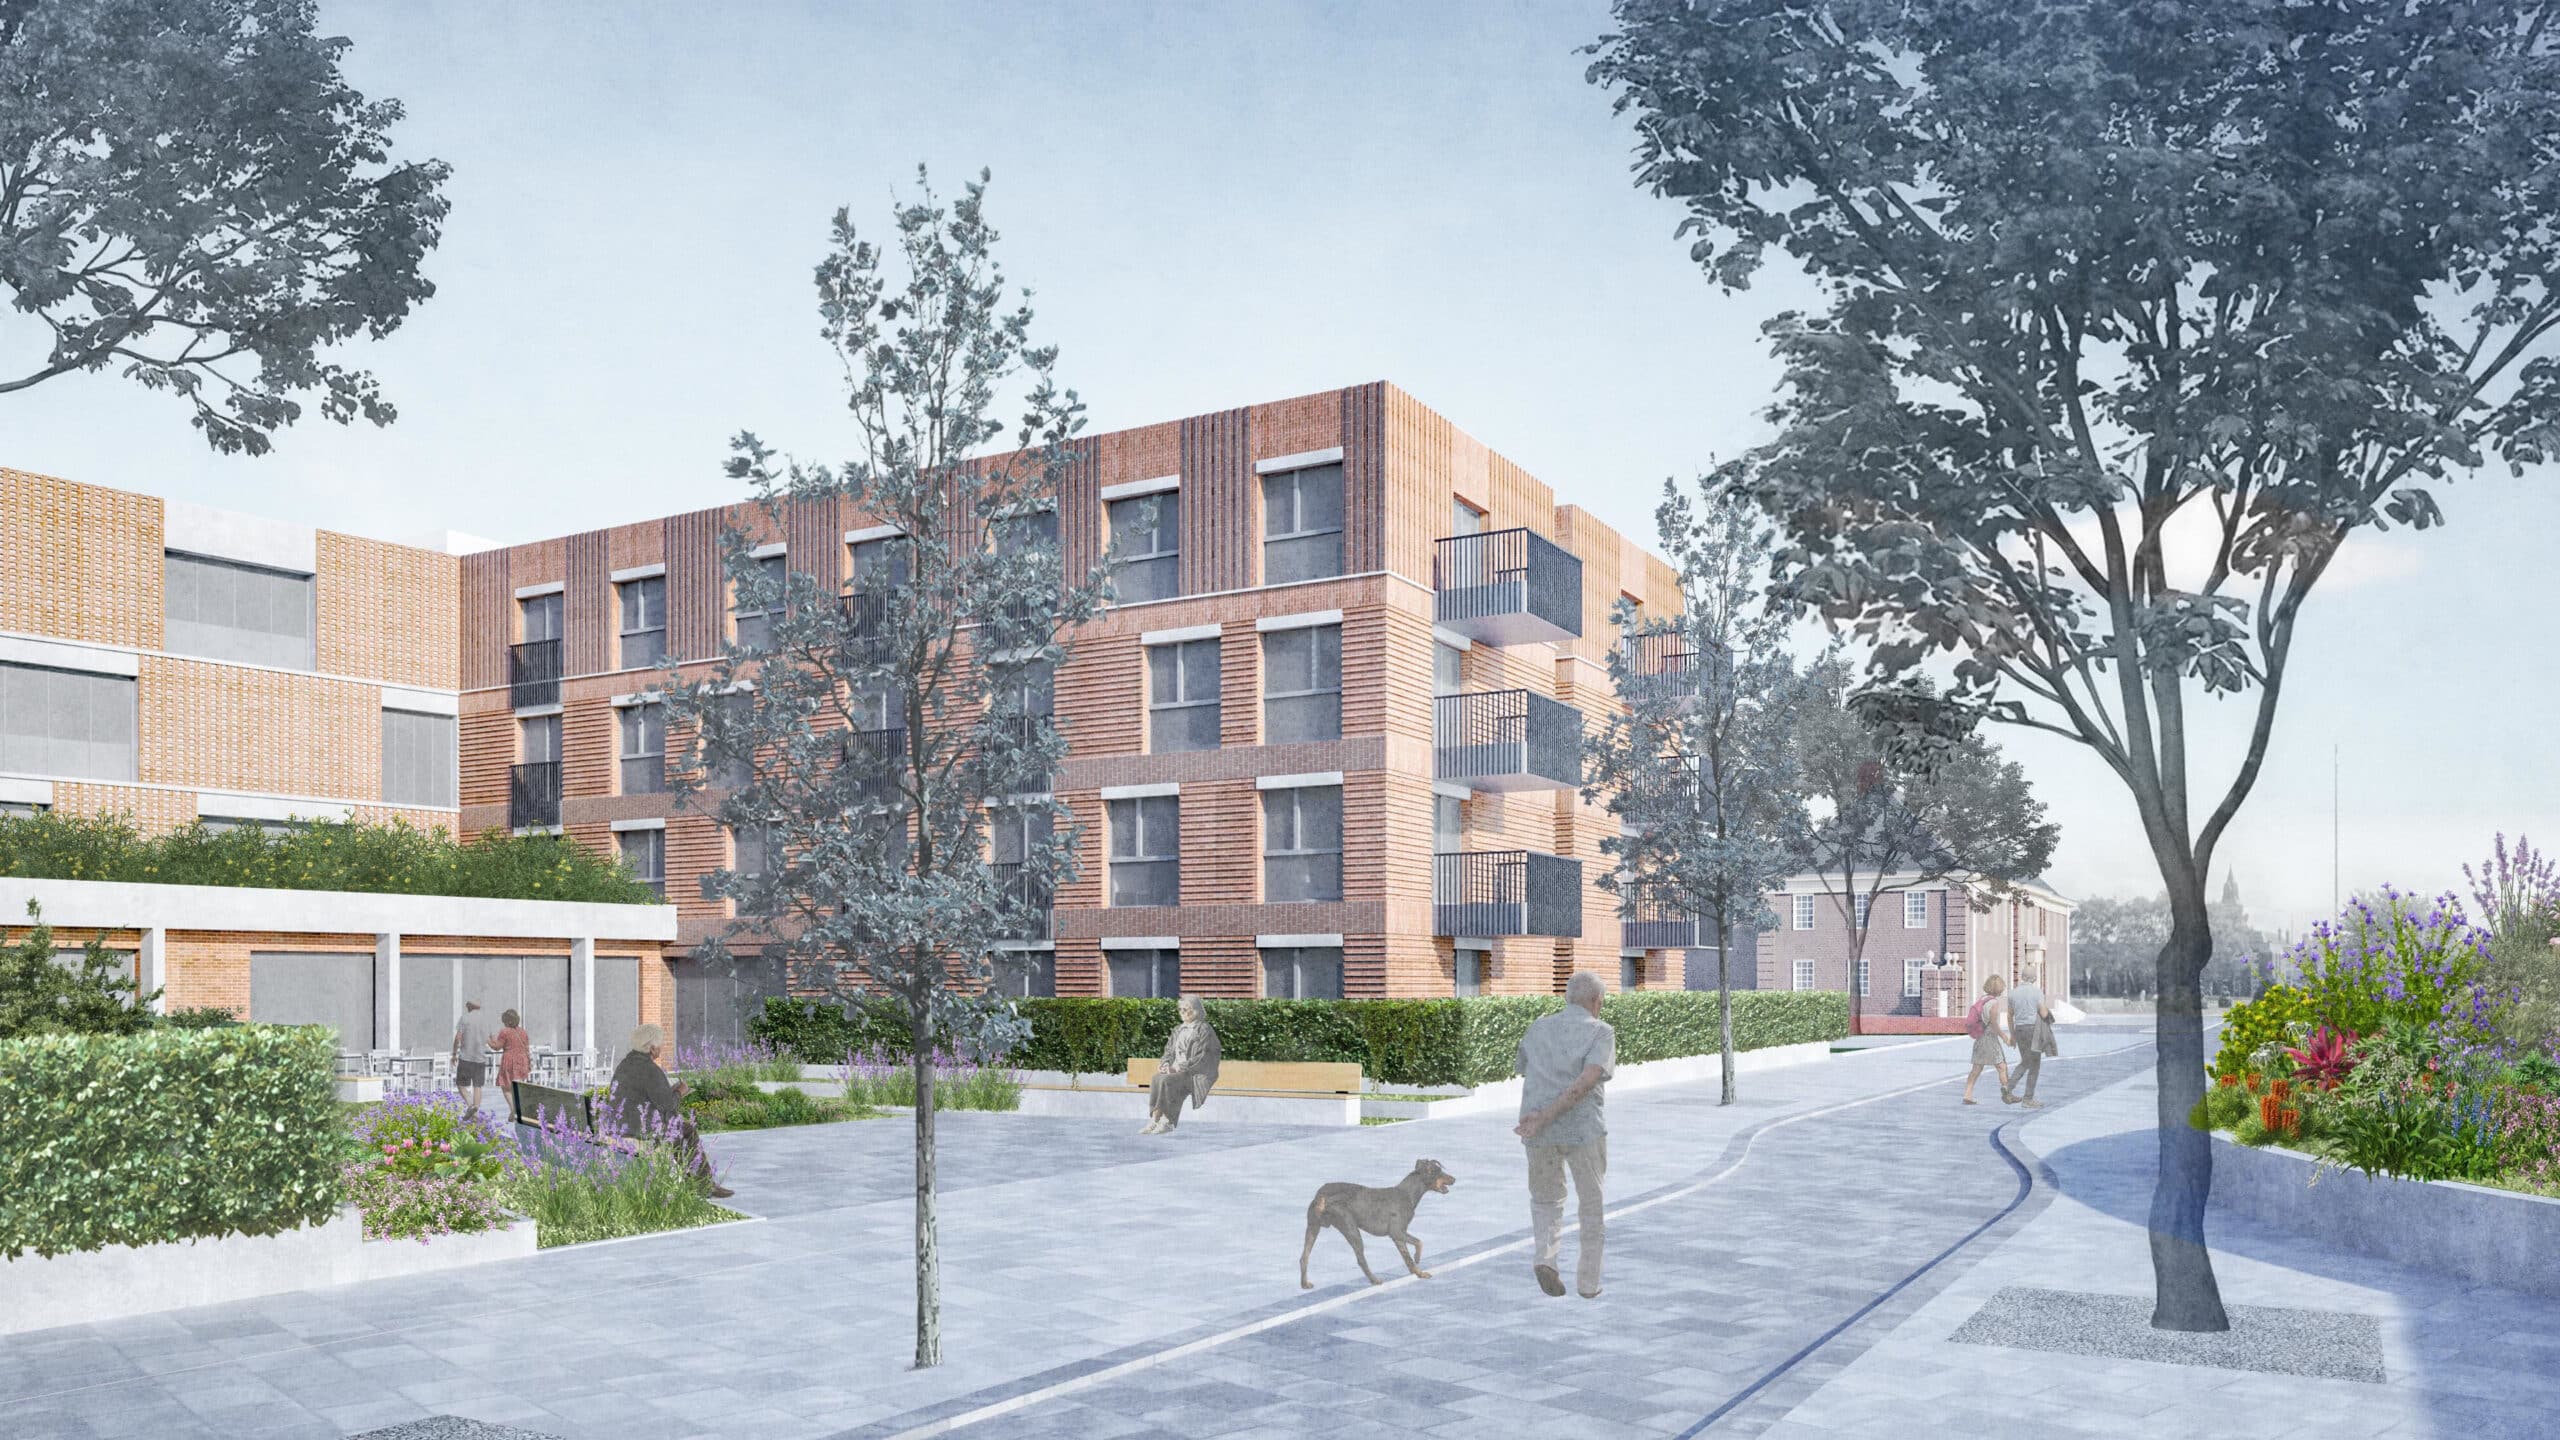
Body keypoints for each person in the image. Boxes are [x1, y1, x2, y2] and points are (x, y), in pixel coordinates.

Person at [1513, 970, 1614, 1300]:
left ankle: (1546, 1259)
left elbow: (1524, 1068)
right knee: (1591, 1205)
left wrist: (1540, 1117)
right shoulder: (1601, 1032)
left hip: (1535, 1130)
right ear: (1597, 1002)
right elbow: (1586, 1082)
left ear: (1568, 998)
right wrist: (1548, 1116)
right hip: (1583, 1131)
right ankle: (1588, 1284)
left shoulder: (1538, 1026)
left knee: (1545, 1199)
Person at [609, 1024, 734, 1199]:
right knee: (687, 1131)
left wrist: (669, 1093)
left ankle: (696, 1182)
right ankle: (703, 1185)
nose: (661, 1048)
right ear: (651, 1048)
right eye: (660, 1045)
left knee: (678, 1129)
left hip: (622, 1124)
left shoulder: (625, 1064)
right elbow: (668, 1106)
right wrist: (680, 1091)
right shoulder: (651, 1070)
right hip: (641, 1130)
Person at [1143, 995, 1222, 1135]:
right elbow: (1168, 1051)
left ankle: (1168, 1121)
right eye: (1180, 1009)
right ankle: (1155, 1119)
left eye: (1186, 1009)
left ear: (1196, 1010)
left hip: (1195, 1073)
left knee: (1168, 1081)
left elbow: (1202, 1057)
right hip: (1177, 1070)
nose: (1182, 1012)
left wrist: (1179, 1067)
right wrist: (1165, 1063)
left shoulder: (1204, 1029)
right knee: (1157, 1078)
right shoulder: (1178, 1029)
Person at [2005, 963, 2054, 1108]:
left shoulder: (2012, 993)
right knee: (2034, 1065)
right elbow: (2044, 1013)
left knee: (2025, 1061)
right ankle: (2028, 1099)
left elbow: (2009, 1015)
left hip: (2019, 1029)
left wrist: (2012, 1035)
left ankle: (2008, 1087)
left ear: (2022, 977)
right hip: (2033, 1030)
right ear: (2034, 978)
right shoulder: (2037, 992)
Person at [1961, 975, 2011, 1105]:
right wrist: (2004, 1037)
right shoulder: (1993, 1002)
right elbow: (1994, 1023)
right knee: (2002, 1067)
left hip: (1980, 1037)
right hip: (1990, 1038)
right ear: (1998, 988)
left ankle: (1967, 1095)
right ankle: (2007, 1093)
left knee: (1976, 1068)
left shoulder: (1982, 999)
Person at [451, 999, 492, 1112]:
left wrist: (454, 1054)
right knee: (477, 1086)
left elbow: (457, 1038)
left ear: (469, 1007)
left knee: (461, 1085)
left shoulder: (465, 1018)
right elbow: (491, 1038)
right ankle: (475, 1112)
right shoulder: (485, 1020)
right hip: (480, 1058)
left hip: (466, 1058)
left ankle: (471, 1105)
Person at [489, 1008, 533, 1104]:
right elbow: (526, 1047)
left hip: (510, 1060)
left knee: (506, 1087)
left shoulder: (505, 1032)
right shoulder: (523, 1032)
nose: (503, 1023)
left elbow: (497, 1047)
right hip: (523, 1060)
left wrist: (488, 1040)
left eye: (504, 1021)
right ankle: (519, 1108)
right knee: (517, 1085)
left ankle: (514, 1108)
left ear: (507, 1021)